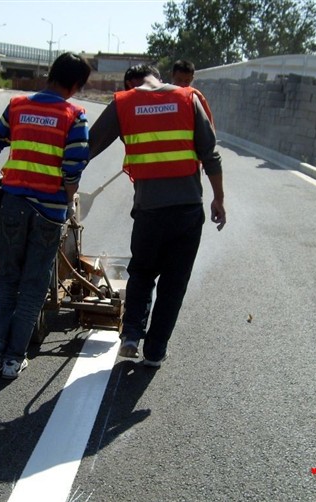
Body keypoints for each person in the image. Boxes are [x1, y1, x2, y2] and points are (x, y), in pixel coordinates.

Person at [0, 52, 91, 379]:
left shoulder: (18, 106)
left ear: (50, 75)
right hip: (48, 212)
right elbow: (72, 170)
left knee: (7, 278)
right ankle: (13, 359)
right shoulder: (74, 115)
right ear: (75, 86)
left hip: (14, 205)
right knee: (33, 285)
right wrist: (69, 205)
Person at [88, 64, 226, 367]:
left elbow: (88, 147)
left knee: (142, 273)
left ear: (130, 85)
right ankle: (155, 350)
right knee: (174, 283)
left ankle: (132, 335)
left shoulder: (123, 103)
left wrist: (60, 180)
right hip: (188, 210)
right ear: (159, 77)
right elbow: (210, 154)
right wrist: (219, 198)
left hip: (149, 212)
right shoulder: (188, 98)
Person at [172, 59, 214, 127]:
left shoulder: (196, 97)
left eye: (187, 81)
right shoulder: (163, 95)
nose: (182, 85)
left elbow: (208, 124)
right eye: (179, 80)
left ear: (192, 79)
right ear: (173, 76)